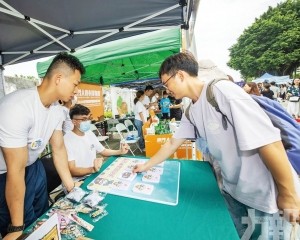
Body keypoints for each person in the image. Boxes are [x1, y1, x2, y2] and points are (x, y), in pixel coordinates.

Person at [133, 52, 300, 239]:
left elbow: (269, 141)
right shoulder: (191, 111)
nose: (166, 89)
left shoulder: (221, 91)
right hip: (234, 190)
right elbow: (173, 142)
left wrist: (288, 194)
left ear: (180, 75)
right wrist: (146, 165)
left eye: (166, 83)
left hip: (264, 195)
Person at [0, 52, 85, 239]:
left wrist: (70, 186)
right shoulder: (17, 107)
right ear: (59, 78)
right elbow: (15, 170)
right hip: (7, 175)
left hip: (33, 167)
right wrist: (16, 227)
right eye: (75, 84)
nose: (76, 90)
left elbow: (58, 148)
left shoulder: (56, 108)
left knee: (44, 219)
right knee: (23, 227)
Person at [64, 104, 129, 180]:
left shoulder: (89, 133)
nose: (88, 122)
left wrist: (120, 151)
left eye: (89, 118)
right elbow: (72, 170)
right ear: (74, 121)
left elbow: (103, 151)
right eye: (84, 119)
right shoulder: (67, 140)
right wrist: (92, 169)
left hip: (92, 174)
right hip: (78, 180)